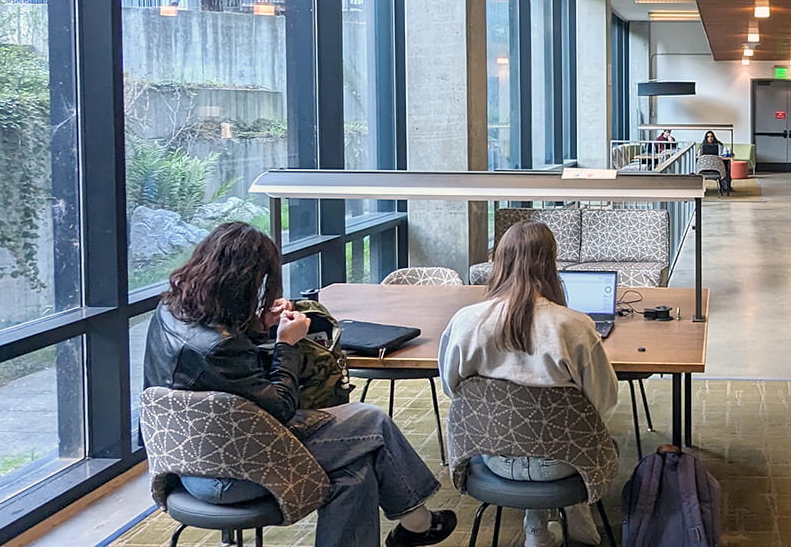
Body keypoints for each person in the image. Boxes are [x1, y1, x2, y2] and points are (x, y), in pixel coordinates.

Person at [143, 222, 457, 547]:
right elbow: (281, 406)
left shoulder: (170, 310)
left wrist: (259, 324)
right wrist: (287, 345)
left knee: (354, 471)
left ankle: (417, 524)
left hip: (186, 460)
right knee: (372, 423)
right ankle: (418, 522)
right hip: (235, 472)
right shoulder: (221, 347)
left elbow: (224, 373)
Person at [438, 221, 619, 547]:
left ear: (499, 260)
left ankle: (537, 530)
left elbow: (453, 390)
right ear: (550, 263)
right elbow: (602, 402)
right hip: (565, 463)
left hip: (494, 455)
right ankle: (574, 534)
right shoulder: (575, 326)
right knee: (569, 434)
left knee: (533, 431)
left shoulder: (465, 322)